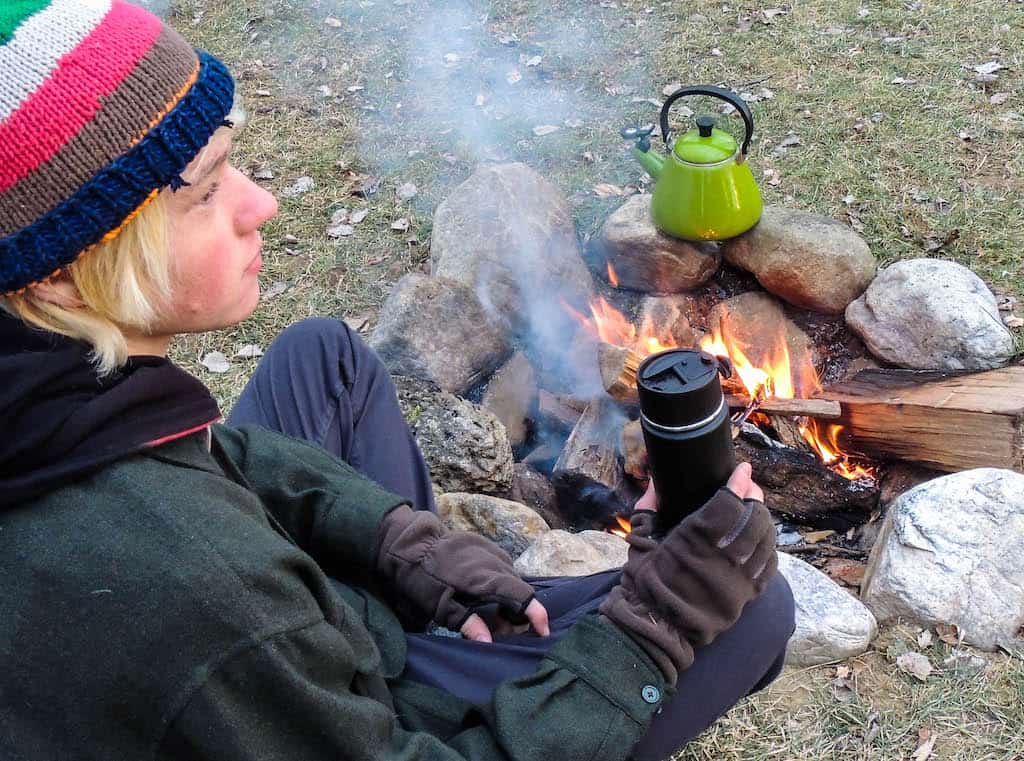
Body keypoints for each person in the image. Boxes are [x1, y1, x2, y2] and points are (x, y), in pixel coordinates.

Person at [0, 2, 795, 759]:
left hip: (302, 637)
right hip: (348, 702)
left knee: (326, 357)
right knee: (750, 610)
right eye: (207, 193)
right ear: (63, 277)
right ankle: (499, 668)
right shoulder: (203, 596)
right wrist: (655, 625)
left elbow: (209, 454)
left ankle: (471, 634)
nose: (263, 204)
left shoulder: (48, 394)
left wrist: (397, 538)